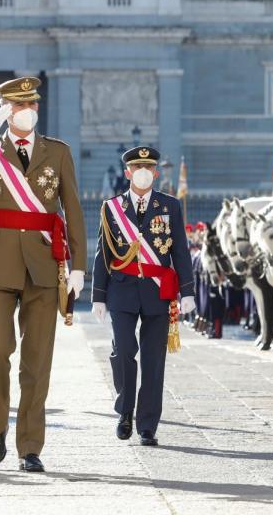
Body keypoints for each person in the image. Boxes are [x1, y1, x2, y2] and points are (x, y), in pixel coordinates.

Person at [0, 76, 86, 473]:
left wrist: (78, 265)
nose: (25, 110)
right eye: (16, 106)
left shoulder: (57, 152)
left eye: (30, 104)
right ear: (5, 111)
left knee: (37, 361)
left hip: (44, 265)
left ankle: (29, 447)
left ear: (37, 109)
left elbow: (72, 208)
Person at [91, 146, 195, 447]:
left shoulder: (170, 206)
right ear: (127, 173)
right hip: (122, 289)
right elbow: (103, 253)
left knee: (153, 361)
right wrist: (98, 296)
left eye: (148, 167)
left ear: (156, 173)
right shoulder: (111, 208)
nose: (143, 172)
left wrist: (186, 291)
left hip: (157, 291)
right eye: (137, 167)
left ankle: (147, 425)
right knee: (122, 351)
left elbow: (180, 251)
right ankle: (125, 410)